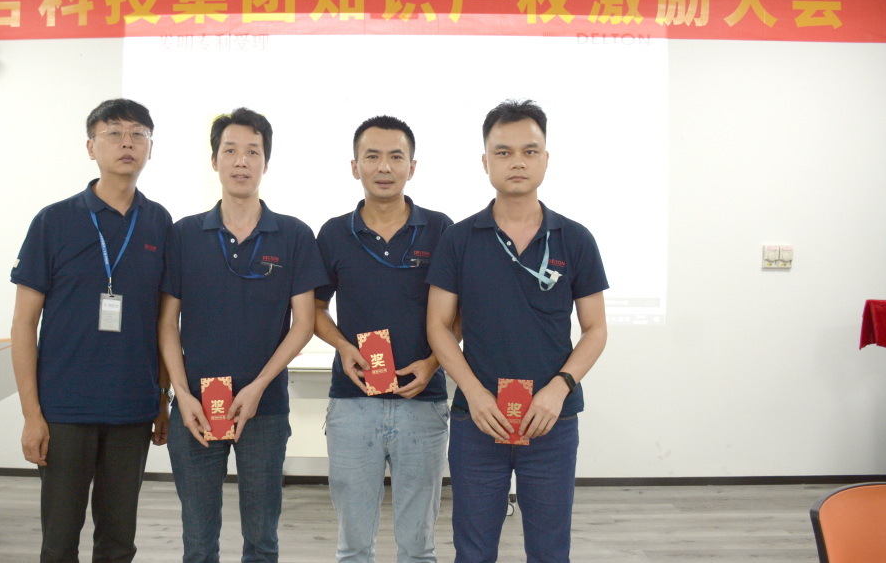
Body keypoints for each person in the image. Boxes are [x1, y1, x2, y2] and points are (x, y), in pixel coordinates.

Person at [425, 100, 609, 563]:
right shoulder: (459, 239)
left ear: (546, 159)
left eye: (530, 151)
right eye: (503, 152)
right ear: (485, 162)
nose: (518, 162)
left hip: (551, 421)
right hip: (477, 420)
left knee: (550, 551)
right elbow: (438, 326)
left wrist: (558, 389)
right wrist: (474, 393)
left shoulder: (575, 239)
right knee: (472, 551)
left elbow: (595, 330)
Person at [158, 107, 328, 563]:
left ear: (266, 162)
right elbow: (167, 322)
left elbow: (304, 323)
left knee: (262, 539)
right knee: (198, 542)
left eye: (253, 152)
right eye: (230, 150)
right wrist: (181, 394)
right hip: (195, 409)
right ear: (213, 160)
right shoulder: (184, 234)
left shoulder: (293, 235)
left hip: (264, 410)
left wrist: (258, 387)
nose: (240, 161)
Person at [10, 98, 173, 563]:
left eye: (138, 134)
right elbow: (23, 324)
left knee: (118, 542)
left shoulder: (160, 223)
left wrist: (161, 398)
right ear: (90, 147)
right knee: (60, 541)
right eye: (114, 133)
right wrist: (31, 415)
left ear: (150, 148)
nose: (127, 143)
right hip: (64, 410)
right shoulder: (53, 221)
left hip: (132, 407)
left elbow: (165, 321)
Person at [313, 115, 453, 563]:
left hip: (423, 402)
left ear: (413, 166)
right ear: (355, 166)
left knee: (419, 547)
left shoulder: (441, 230)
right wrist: (343, 347)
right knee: (353, 547)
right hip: (353, 403)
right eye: (372, 156)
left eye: (396, 156)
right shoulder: (334, 233)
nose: (385, 167)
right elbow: (314, 309)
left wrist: (433, 363)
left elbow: (461, 313)